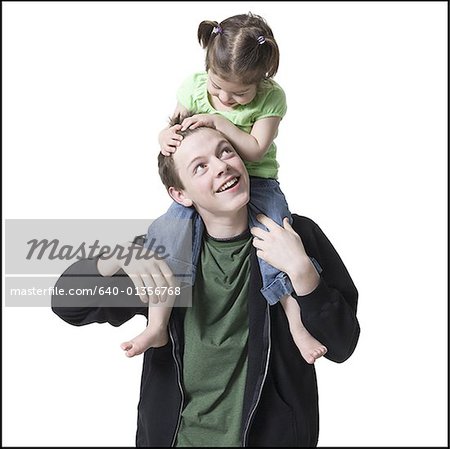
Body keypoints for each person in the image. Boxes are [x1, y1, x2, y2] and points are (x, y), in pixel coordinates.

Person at [52, 117, 360, 447]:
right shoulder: (165, 253)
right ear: (180, 194)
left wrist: (302, 272)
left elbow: (341, 345)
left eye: (225, 151)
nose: (221, 167)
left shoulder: (295, 236)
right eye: (200, 167)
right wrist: (114, 256)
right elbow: (68, 304)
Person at [121, 12, 328, 364]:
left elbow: (254, 149)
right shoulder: (194, 87)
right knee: (164, 237)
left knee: (277, 240)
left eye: (240, 94)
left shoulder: (271, 99)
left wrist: (218, 122)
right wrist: (162, 136)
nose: (226, 99)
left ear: (262, 79)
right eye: (217, 89)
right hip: (195, 207)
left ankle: (296, 323)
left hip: (259, 181)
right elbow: (173, 128)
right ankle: (157, 324)